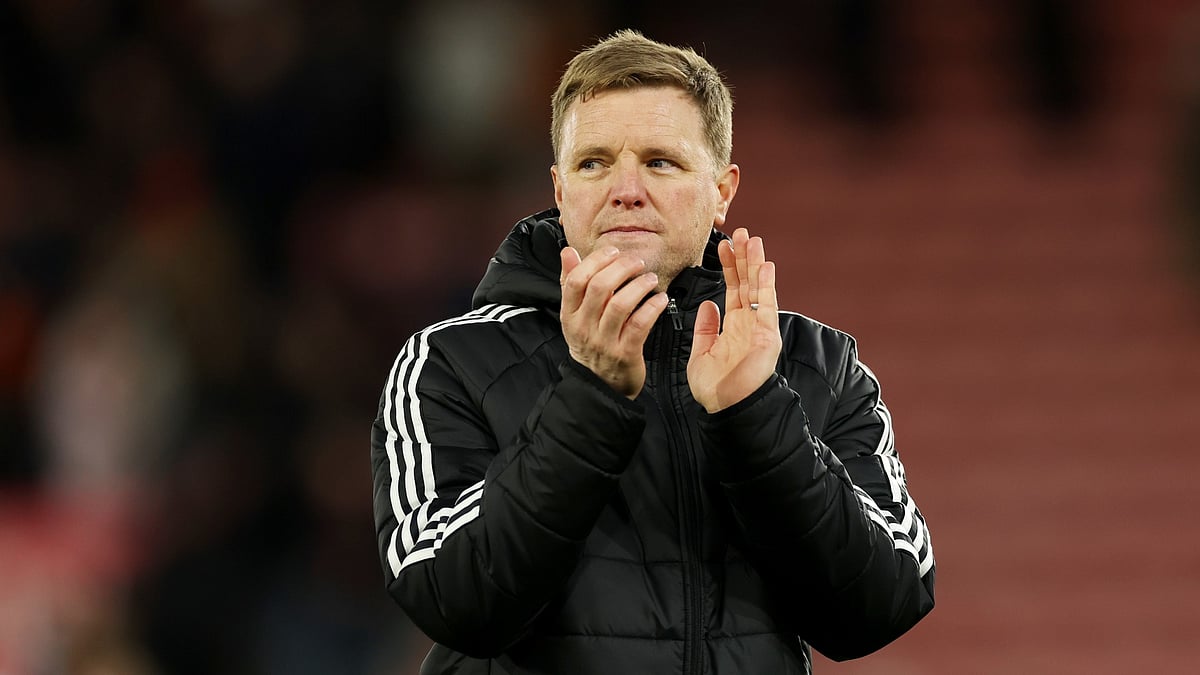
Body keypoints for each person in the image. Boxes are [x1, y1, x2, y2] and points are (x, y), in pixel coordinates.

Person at [370, 29, 935, 674]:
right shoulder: (450, 362)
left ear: (722, 191)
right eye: (593, 163)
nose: (626, 189)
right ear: (559, 190)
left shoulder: (818, 366)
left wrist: (754, 414)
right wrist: (589, 395)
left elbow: (883, 604)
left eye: (661, 161)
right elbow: (453, 599)